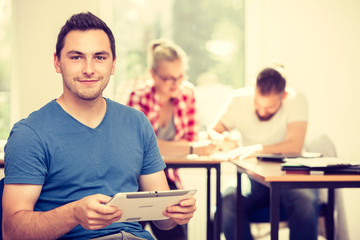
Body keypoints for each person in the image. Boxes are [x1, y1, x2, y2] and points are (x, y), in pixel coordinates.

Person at [2, 12, 196, 240]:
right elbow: (12, 232)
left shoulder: (137, 123)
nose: (89, 69)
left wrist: (175, 213)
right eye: (76, 57)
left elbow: (162, 221)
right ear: (57, 62)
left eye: (100, 57)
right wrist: (73, 213)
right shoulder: (29, 134)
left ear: (113, 64)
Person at [211, 66, 319, 240]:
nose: (262, 111)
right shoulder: (238, 100)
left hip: (291, 175)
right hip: (253, 177)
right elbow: (213, 131)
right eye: (258, 104)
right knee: (227, 202)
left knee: (305, 201)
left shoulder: (296, 99)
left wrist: (255, 149)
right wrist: (222, 138)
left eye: (269, 108)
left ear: (284, 97)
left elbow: (294, 146)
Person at [127, 39, 214, 239]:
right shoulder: (138, 97)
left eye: (180, 76)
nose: (175, 84)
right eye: (168, 78)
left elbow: (190, 139)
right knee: (128, 231)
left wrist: (183, 147)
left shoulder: (187, 94)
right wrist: (192, 148)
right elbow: (141, 147)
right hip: (135, 180)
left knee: (177, 230)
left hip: (168, 178)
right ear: (153, 75)